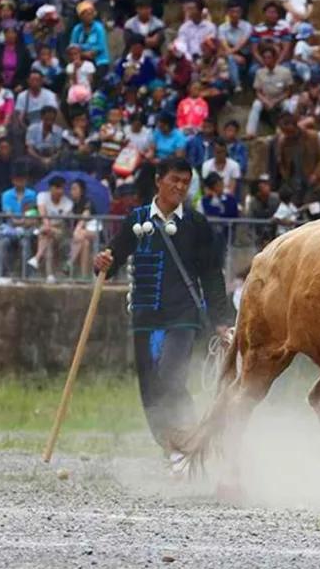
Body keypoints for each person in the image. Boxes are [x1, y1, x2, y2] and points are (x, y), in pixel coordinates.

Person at [94, 158, 233, 469]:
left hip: (182, 317)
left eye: (185, 182)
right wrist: (101, 261)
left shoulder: (196, 225)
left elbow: (212, 274)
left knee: (171, 376)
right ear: (159, 180)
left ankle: (189, 442)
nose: (180, 187)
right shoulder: (137, 219)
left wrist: (222, 320)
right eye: (175, 180)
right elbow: (112, 258)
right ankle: (172, 448)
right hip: (144, 318)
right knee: (150, 386)